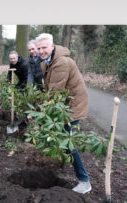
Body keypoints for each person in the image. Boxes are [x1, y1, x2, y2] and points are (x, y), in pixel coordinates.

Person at [36, 33, 91, 194]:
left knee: (68, 143)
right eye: (39, 48)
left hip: (72, 106)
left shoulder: (61, 62)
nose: (41, 51)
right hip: (63, 105)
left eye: (44, 47)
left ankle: (84, 181)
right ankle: (61, 164)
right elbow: (48, 90)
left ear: (52, 46)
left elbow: (54, 93)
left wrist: (40, 114)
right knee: (61, 139)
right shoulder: (46, 62)